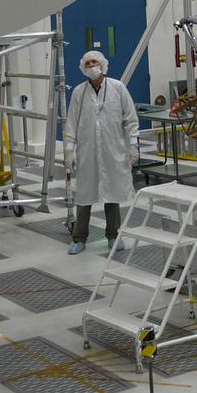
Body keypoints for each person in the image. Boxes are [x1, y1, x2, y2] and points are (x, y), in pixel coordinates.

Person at [63, 50, 139, 255]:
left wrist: (133, 145)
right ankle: (79, 238)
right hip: (88, 151)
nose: (91, 65)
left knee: (112, 193)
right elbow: (71, 123)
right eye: (87, 63)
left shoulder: (117, 88)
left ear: (103, 64)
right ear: (82, 67)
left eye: (94, 62)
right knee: (85, 195)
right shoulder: (79, 92)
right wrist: (69, 152)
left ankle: (113, 235)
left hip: (113, 149)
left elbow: (130, 119)